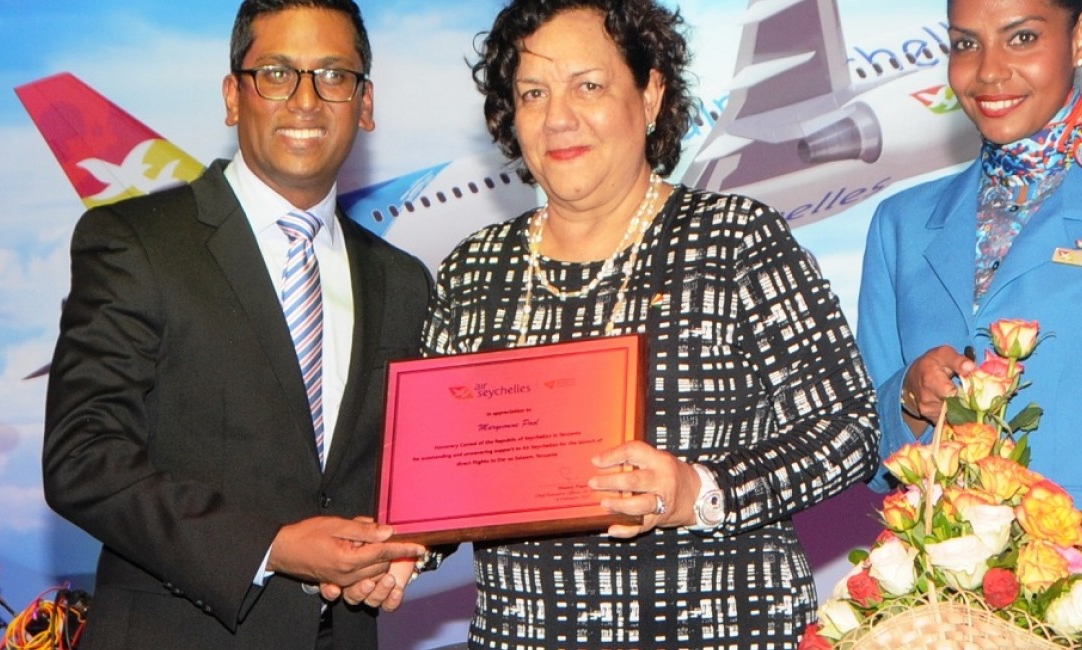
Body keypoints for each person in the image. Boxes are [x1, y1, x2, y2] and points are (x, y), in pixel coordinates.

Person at [361, 0, 876, 646]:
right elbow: (439, 480)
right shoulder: (474, 272)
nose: (559, 118)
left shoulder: (735, 240)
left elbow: (849, 429)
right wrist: (409, 545)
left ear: (652, 91)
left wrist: (701, 489)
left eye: (590, 86)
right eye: (533, 93)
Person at [41, 1, 434, 647]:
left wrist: (397, 551)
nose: (306, 99)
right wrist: (270, 548)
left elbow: (405, 478)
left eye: (334, 75)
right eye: (277, 73)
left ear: (365, 104)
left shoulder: (402, 281)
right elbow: (84, 458)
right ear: (233, 95)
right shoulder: (136, 243)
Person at [856, 0, 1082, 605]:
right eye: (965, 44)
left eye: (1021, 38)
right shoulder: (900, 225)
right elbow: (864, 447)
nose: (989, 72)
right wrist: (907, 400)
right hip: (929, 608)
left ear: (1080, 39)